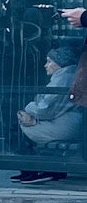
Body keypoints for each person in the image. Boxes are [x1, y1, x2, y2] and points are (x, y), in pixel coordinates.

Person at [12, 45, 82, 182]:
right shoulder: (68, 75)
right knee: (20, 127)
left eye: (50, 61)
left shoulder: (64, 78)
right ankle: (46, 170)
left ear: (61, 63)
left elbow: (46, 109)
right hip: (68, 122)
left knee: (15, 130)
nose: (45, 65)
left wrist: (28, 110)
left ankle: (38, 170)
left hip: (65, 126)